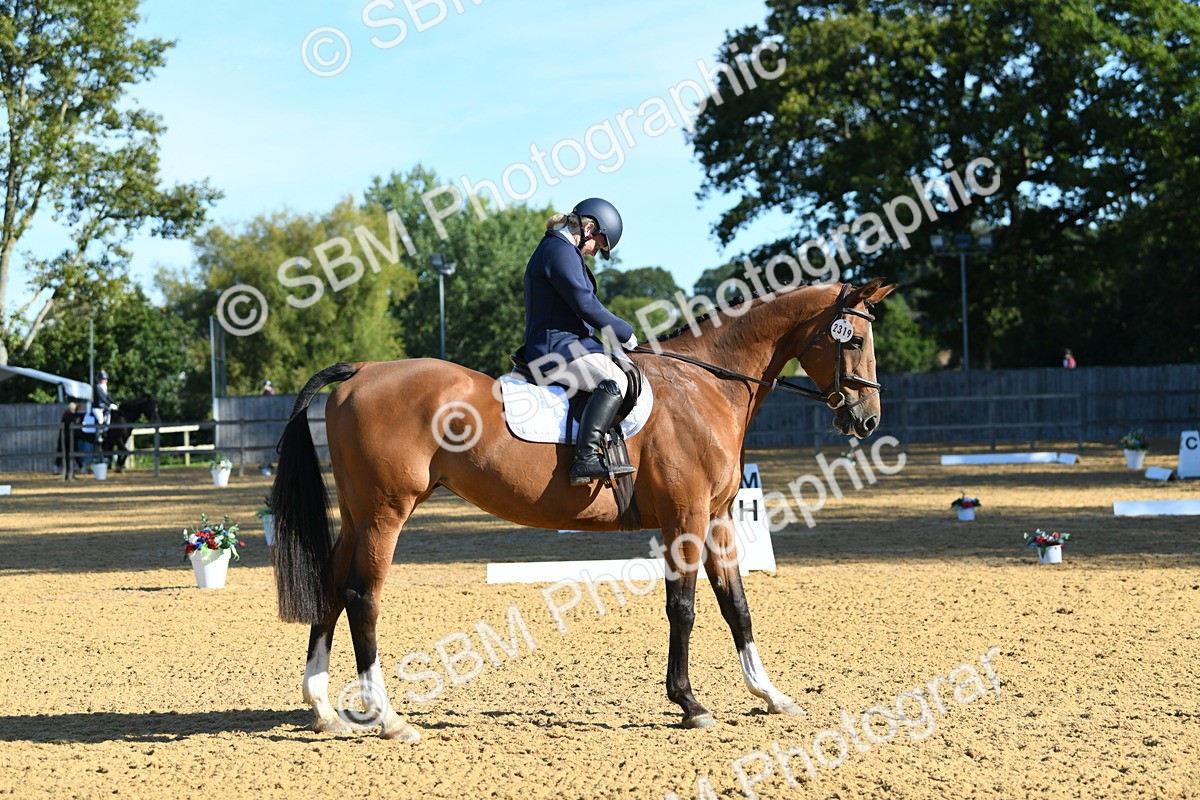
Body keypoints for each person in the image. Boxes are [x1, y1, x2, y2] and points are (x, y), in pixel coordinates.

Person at [522, 197, 638, 486]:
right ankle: (585, 459)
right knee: (615, 382)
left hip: (571, 344)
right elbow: (585, 304)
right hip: (556, 348)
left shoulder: (563, 252)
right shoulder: (557, 251)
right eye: (599, 244)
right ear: (589, 227)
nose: (596, 252)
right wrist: (624, 332)